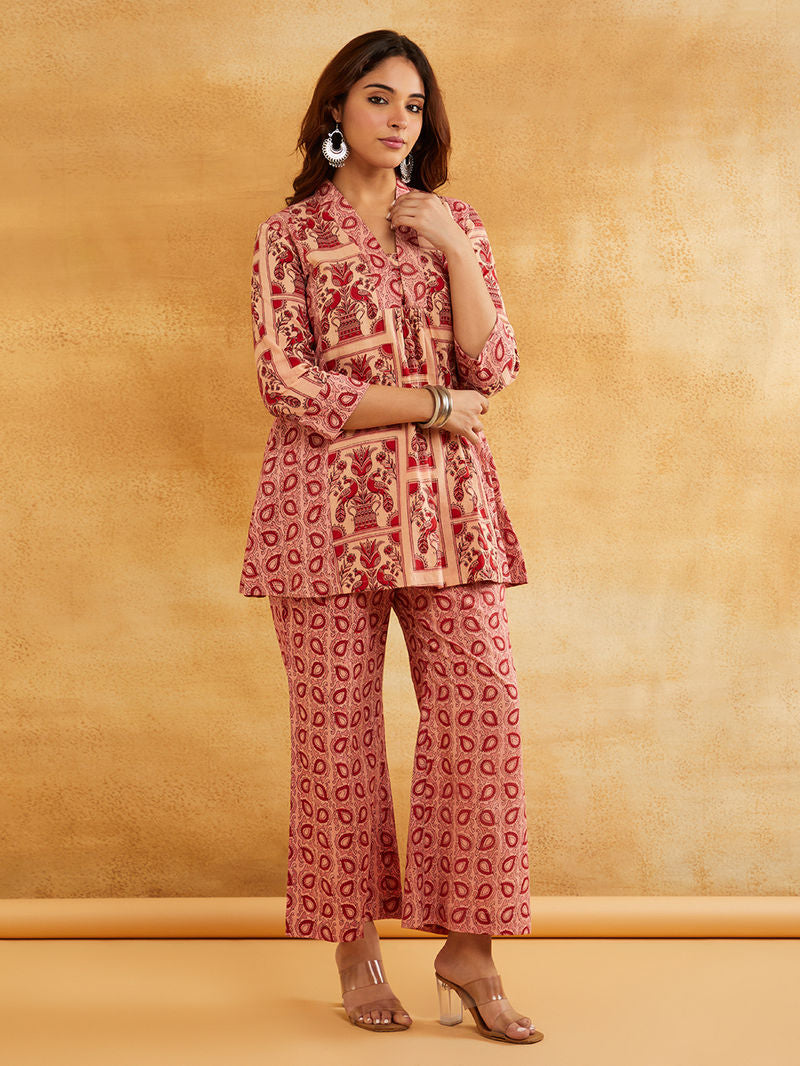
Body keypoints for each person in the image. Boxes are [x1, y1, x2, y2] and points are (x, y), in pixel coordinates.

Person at [238, 29, 543, 1045]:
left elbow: (493, 365)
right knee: (336, 731)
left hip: (447, 511)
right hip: (323, 518)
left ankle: (470, 950)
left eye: (413, 104)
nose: (397, 119)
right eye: (378, 98)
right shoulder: (289, 237)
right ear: (336, 109)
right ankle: (354, 946)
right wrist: (430, 404)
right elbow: (289, 381)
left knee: (483, 707)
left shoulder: (455, 224)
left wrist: (451, 245)